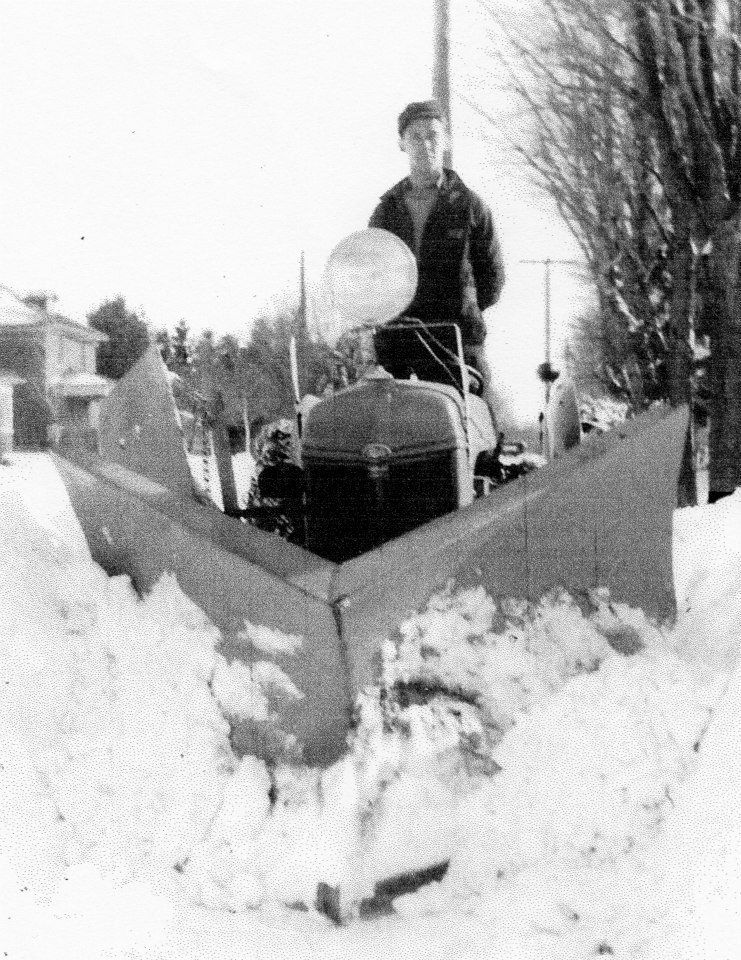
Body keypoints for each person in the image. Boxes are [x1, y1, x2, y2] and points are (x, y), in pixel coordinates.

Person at [369, 99, 505, 424]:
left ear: (445, 142)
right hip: (398, 340)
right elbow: (372, 275)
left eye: (433, 136)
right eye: (416, 137)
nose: (425, 145)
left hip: (453, 340)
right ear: (402, 144)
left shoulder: (470, 207)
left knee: (465, 428)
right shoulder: (386, 212)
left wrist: (463, 309)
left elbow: (492, 280)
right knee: (395, 433)